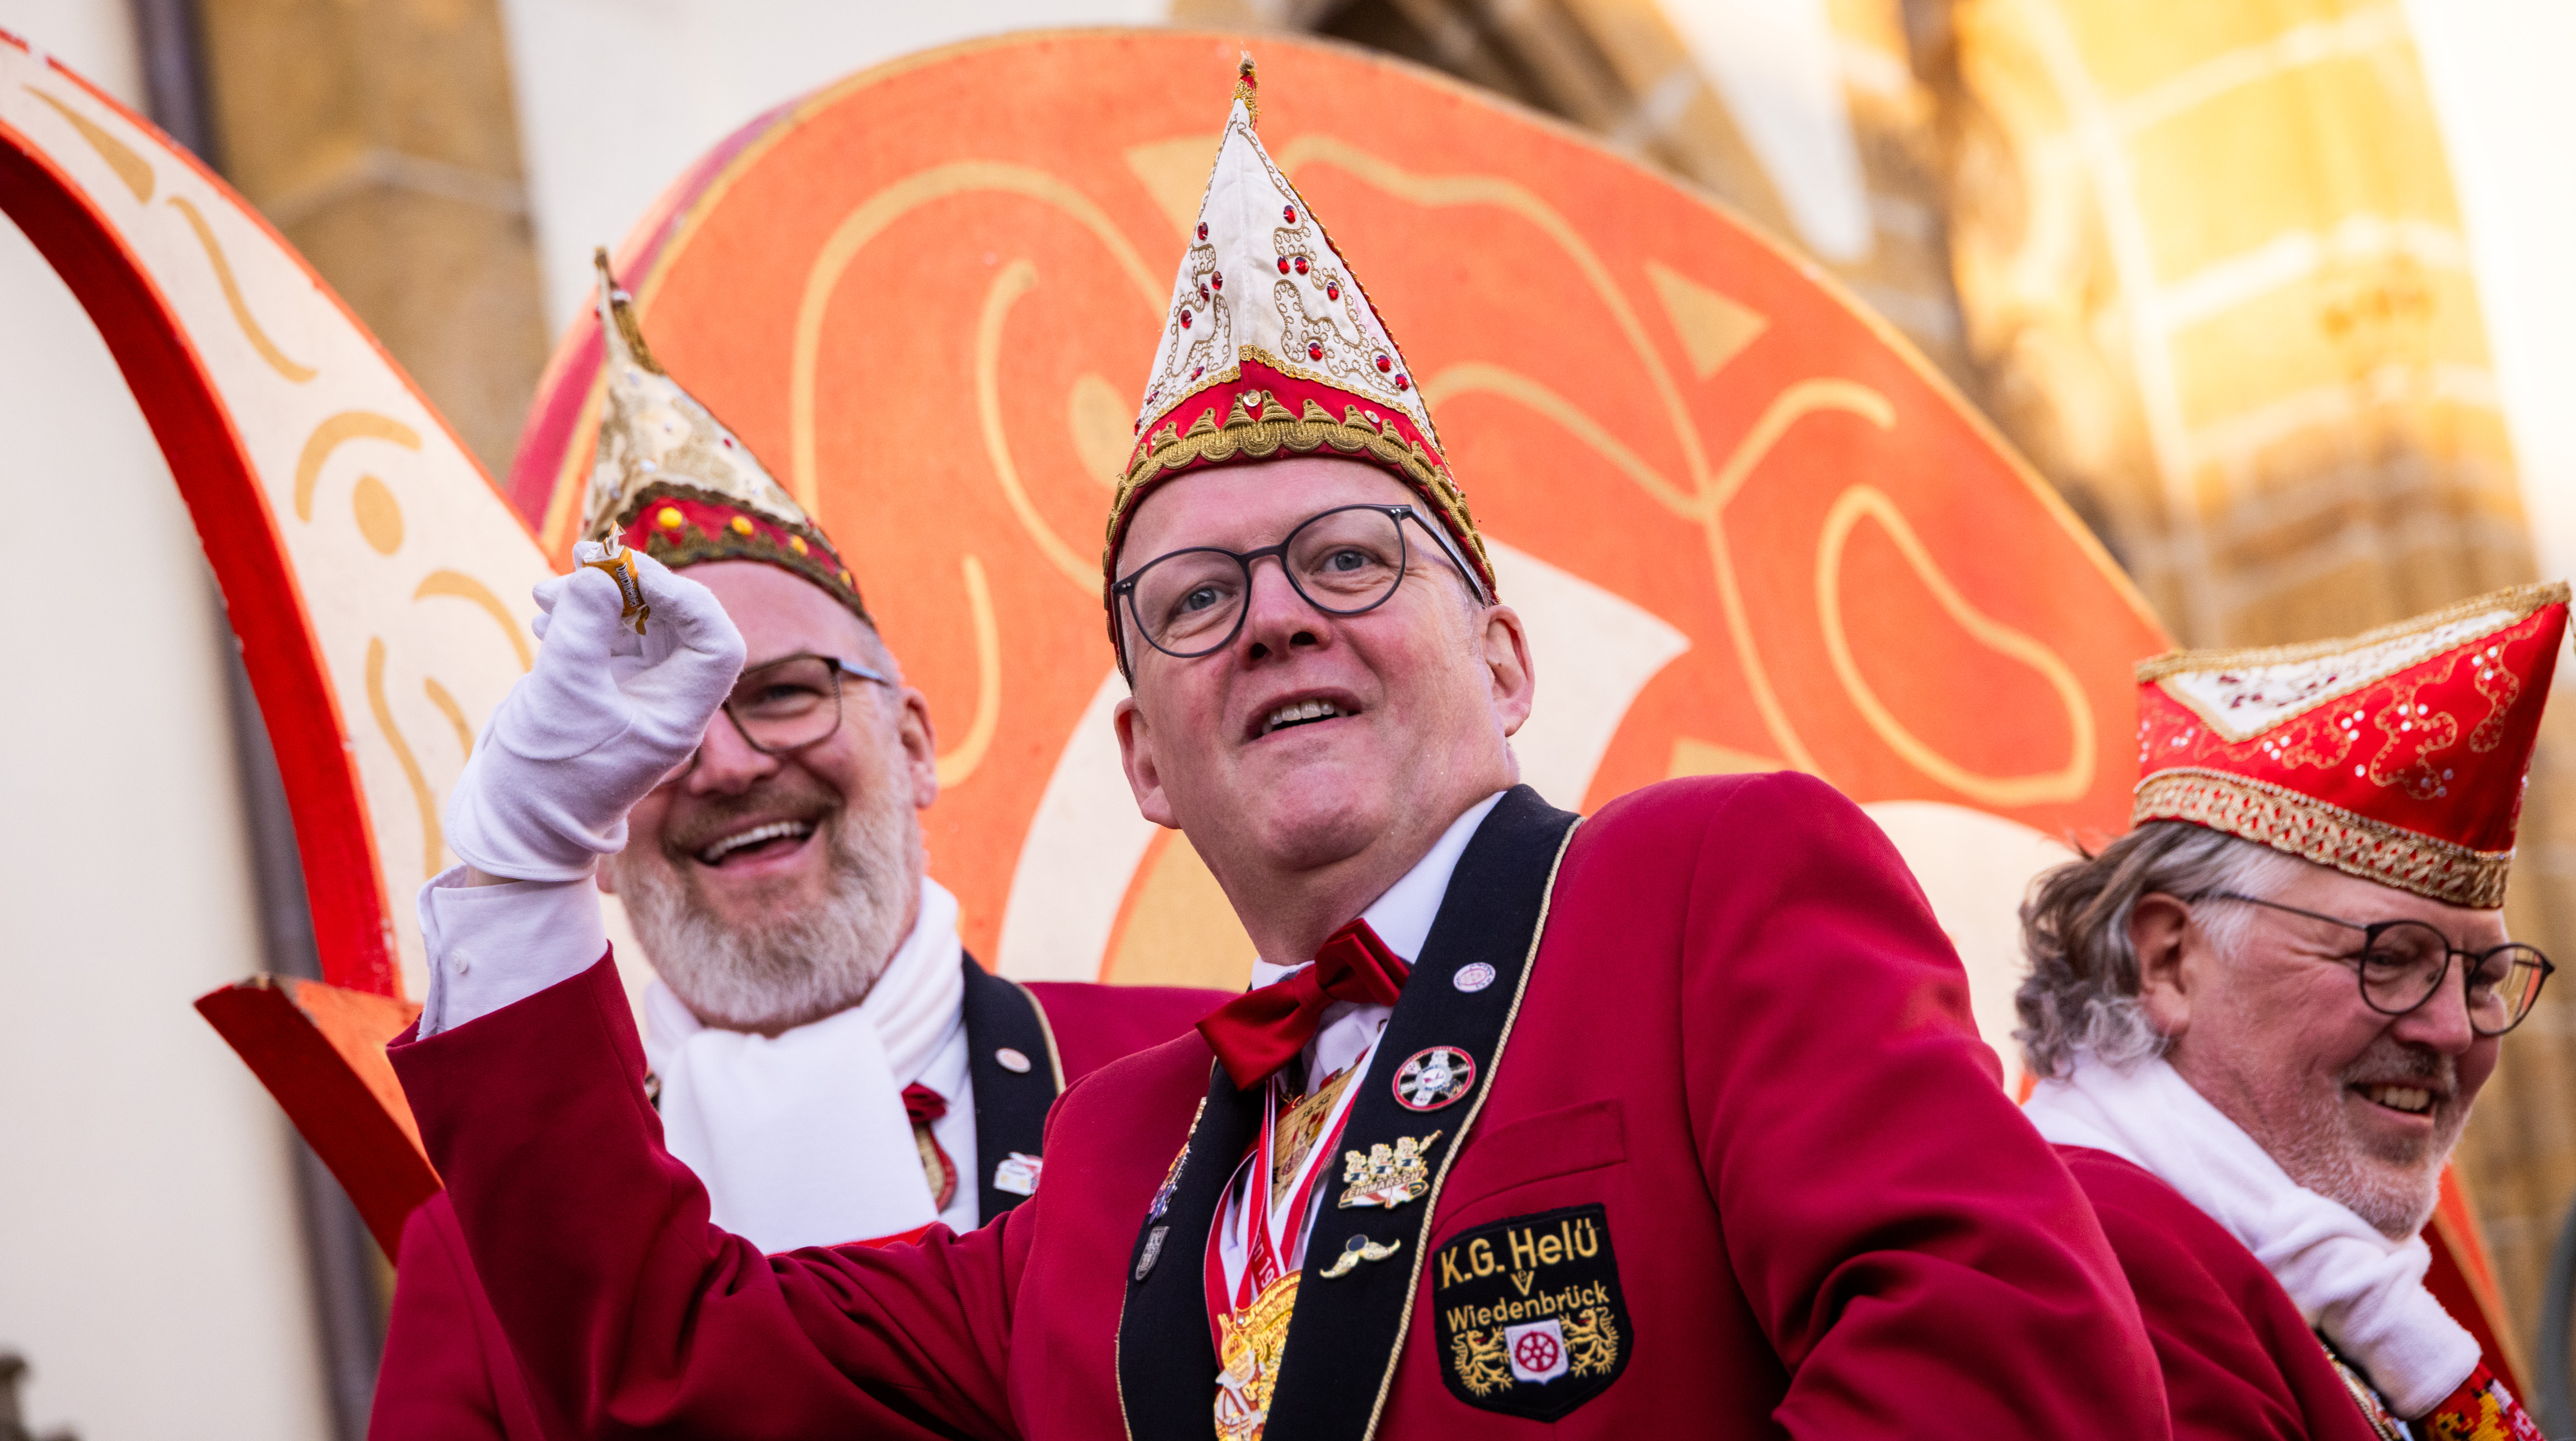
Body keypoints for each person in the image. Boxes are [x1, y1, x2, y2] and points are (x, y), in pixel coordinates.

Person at [386, 59, 2167, 1438]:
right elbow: (671, 1362)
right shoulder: (1111, 1149)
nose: (1275, 617)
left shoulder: (1705, 884)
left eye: (1348, 557)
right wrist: (521, 867)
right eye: (1193, 599)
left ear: (1503, 656)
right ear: (1143, 766)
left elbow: (2008, 1364)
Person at [366, 255, 1225, 1440]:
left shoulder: (1203, 1077)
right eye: (656, 734)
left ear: (912, 745)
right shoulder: (477, 1256)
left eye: (785, 692)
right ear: (596, 831)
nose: (724, 765)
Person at [2015, 584, 2576, 1440]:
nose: (2451, 1030)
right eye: (2386, 958)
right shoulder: (2087, 1277)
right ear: (2166, 961)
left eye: (2482, 978)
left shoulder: (2324, 1279)